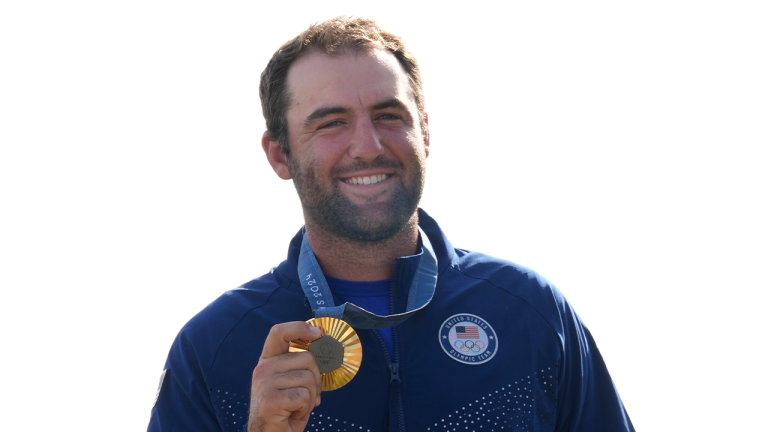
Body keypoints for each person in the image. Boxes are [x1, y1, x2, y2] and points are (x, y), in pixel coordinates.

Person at [147, 16, 634, 432]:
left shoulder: (531, 313)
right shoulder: (214, 347)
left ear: (425, 132)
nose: (368, 145)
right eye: (331, 122)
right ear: (280, 154)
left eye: (388, 115)